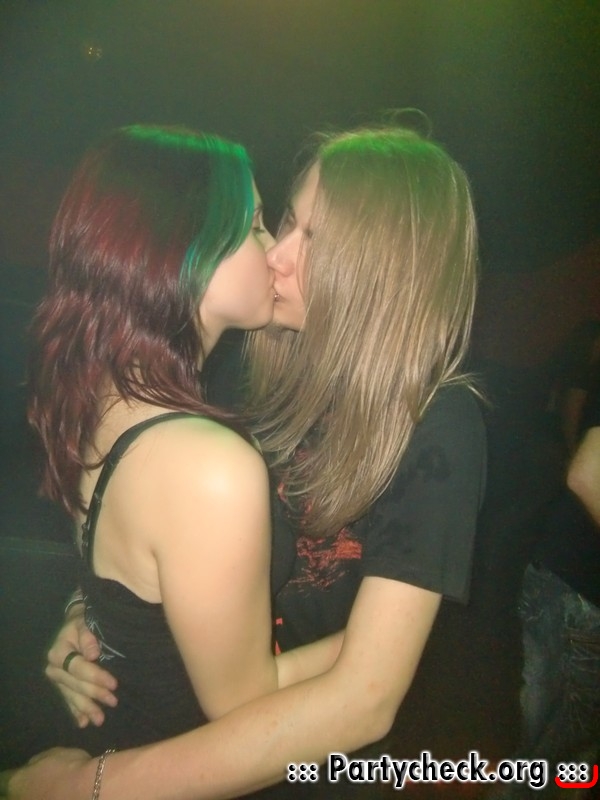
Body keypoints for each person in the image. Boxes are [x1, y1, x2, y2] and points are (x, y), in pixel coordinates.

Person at [5, 122, 487, 799]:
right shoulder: (240, 373)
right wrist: (91, 609)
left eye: (314, 239)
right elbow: (149, 530)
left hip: (300, 757)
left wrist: (89, 786)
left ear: (382, 265)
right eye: (280, 222)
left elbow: (365, 700)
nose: (277, 256)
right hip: (182, 736)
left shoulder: (435, 423)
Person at [19, 123, 343, 756]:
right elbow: (243, 704)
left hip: (118, 740)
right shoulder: (204, 462)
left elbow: (130, 574)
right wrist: (387, 641)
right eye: (255, 225)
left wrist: (82, 610)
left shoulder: (103, 392)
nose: (274, 250)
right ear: (185, 252)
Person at [492, 371, 600, 799]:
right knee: (553, 753)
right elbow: (584, 472)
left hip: (561, 572)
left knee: (553, 747)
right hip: (577, 585)